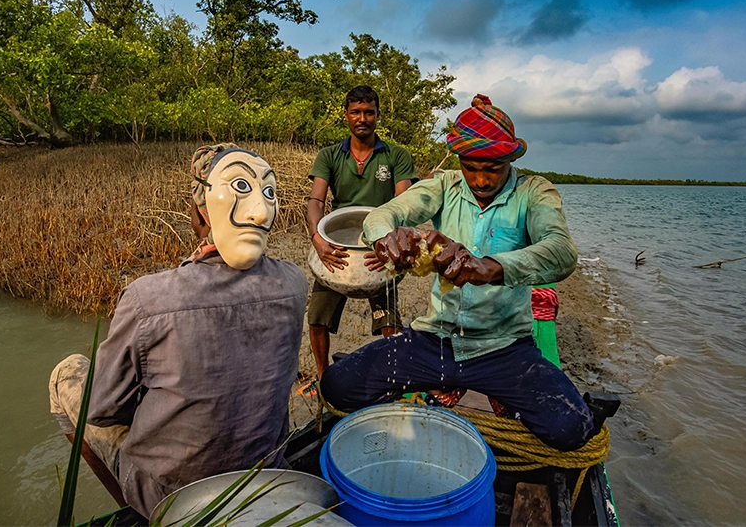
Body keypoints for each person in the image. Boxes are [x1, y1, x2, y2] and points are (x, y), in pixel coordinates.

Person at [319, 94, 592, 452]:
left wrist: (488, 267)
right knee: (337, 385)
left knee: (572, 427)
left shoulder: (533, 192)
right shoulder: (445, 185)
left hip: (504, 348)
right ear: (460, 161)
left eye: (492, 168)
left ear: (510, 159)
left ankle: (482, 388)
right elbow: (382, 215)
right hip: (435, 340)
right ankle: (442, 382)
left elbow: (561, 252)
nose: (480, 180)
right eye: (471, 167)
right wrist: (388, 237)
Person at [47, 144, 309, 514]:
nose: (261, 206)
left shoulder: (149, 299)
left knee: (65, 375)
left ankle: (136, 505)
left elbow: (102, 409)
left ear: (197, 211)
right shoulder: (294, 284)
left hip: (175, 494)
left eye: (269, 192)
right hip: (263, 473)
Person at [305, 85, 417, 384]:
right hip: (337, 242)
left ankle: (389, 377)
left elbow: (403, 204)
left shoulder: (396, 155)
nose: (362, 118)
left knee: (389, 322)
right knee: (317, 319)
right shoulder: (329, 155)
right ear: (346, 116)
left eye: (369, 112)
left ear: (378, 115)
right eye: (356, 112)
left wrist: (391, 245)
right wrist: (317, 240)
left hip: (378, 246)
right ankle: (323, 376)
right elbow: (316, 200)